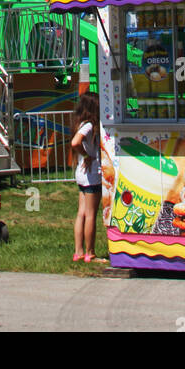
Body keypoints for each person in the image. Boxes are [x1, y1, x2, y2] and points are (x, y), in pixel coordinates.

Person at [71, 93, 104, 264]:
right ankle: (90, 253)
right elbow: (75, 142)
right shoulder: (90, 125)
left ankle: (78, 251)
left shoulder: (81, 123)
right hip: (91, 174)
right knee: (91, 215)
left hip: (82, 174)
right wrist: (87, 155)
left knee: (81, 214)